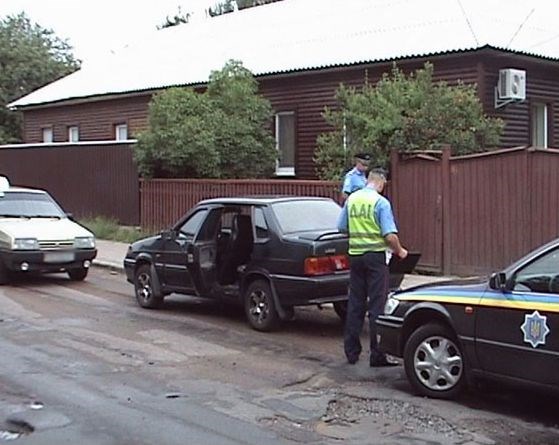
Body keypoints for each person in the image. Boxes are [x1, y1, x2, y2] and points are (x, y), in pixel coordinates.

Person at [337, 167, 408, 367]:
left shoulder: (352, 200)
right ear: (381, 182)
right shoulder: (380, 202)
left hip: (356, 257)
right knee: (377, 305)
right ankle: (377, 355)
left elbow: (341, 227)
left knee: (355, 304)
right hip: (376, 258)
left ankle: (351, 352)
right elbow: (389, 235)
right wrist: (400, 251)